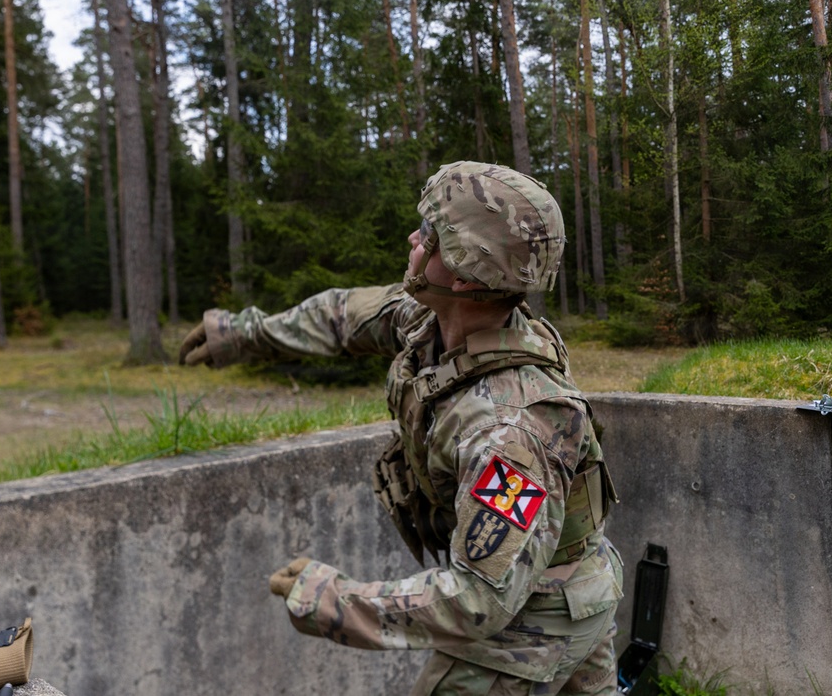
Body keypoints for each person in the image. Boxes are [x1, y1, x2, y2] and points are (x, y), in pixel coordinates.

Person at [178, 161, 623, 695]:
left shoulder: (512, 427)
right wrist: (242, 333)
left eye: (430, 235)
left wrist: (338, 601)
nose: (415, 239)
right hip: (570, 584)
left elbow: (480, 598)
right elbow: (341, 314)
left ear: (460, 272)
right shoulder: (431, 321)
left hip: (535, 615)